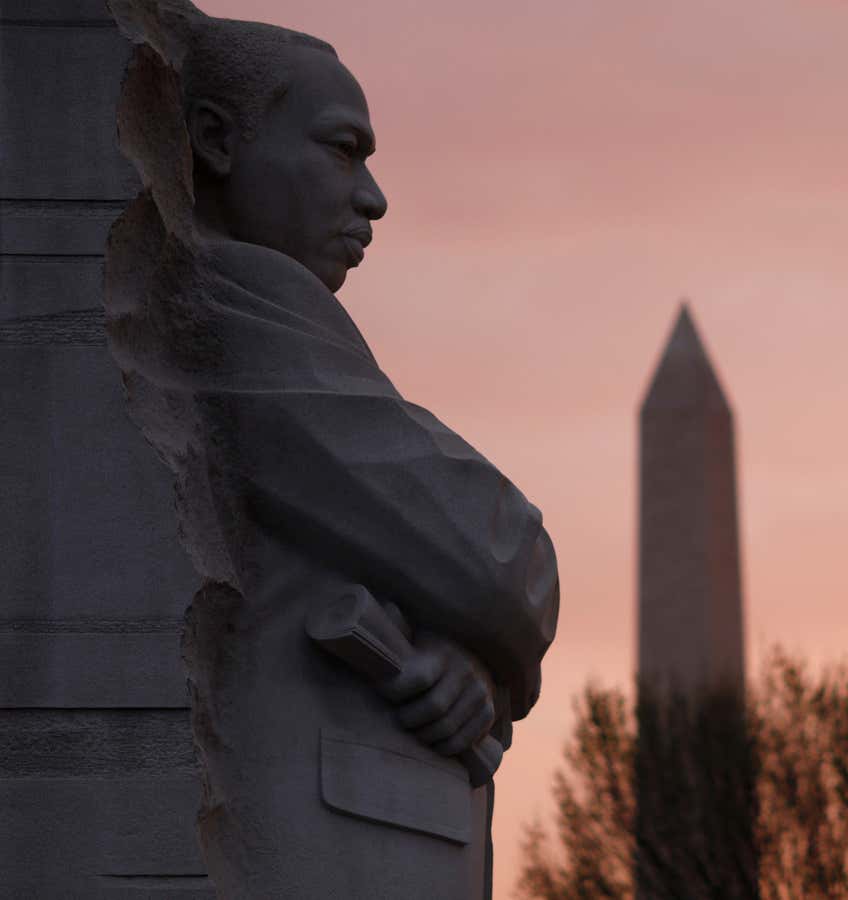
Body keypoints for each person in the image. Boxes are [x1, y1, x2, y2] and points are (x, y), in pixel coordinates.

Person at [105, 8, 559, 897]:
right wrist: (484, 618)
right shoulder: (235, 310)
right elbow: (503, 557)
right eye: (342, 149)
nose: (373, 197)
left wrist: (472, 662)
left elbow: (423, 567)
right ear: (215, 141)